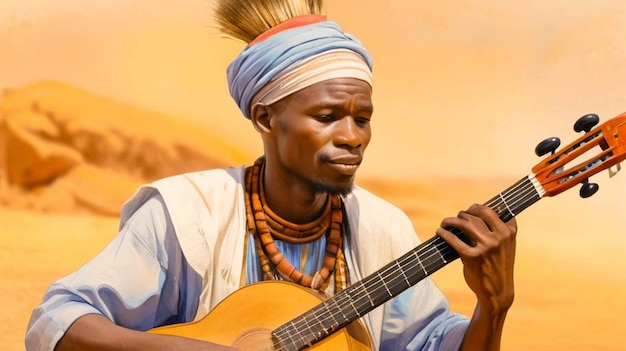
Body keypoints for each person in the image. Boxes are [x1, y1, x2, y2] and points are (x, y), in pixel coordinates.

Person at [25, 0, 517, 350]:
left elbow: (435, 343)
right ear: (265, 118)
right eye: (327, 117)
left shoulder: (383, 229)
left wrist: (492, 309)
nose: (352, 137)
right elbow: (58, 322)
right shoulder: (186, 215)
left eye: (362, 118)